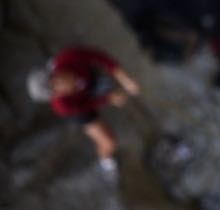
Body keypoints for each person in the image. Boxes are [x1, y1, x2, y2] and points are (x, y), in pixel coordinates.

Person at [27, 46, 141, 178]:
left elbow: (99, 56)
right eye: (55, 89)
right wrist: (108, 99)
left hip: (90, 81)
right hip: (80, 108)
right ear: (55, 96)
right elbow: (86, 107)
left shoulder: (69, 57)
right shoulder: (62, 106)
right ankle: (105, 160)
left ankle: (102, 86)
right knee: (109, 142)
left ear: (53, 72)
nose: (61, 84)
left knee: (104, 83)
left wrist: (124, 78)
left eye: (55, 79)